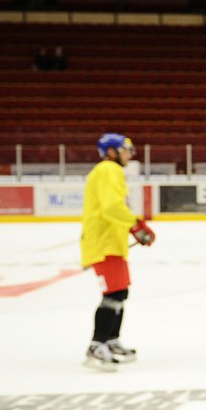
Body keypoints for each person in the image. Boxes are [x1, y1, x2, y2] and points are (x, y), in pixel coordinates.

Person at [81, 133, 155, 372]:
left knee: (120, 293)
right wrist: (135, 224)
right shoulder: (107, 171)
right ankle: (97, 344)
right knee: (113, 294)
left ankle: (111, 340)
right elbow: (112, 207)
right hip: (104, 244)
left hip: (111, 243)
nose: (128, 155)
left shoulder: (110, 172)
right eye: (124, 150)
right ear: (111, 152)